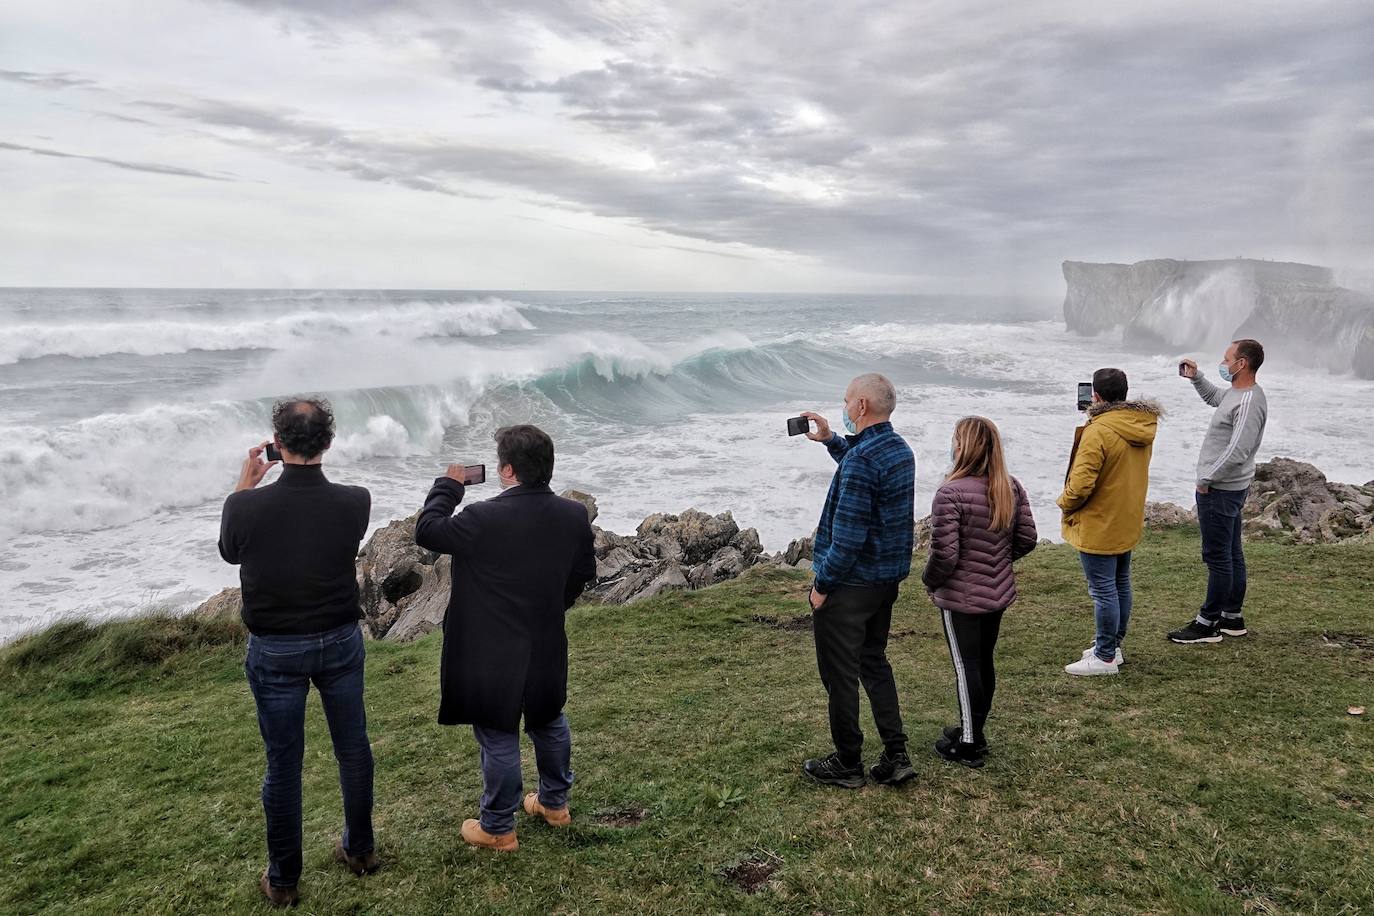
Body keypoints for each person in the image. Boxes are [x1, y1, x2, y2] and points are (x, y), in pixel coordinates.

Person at [218, 397, 378, 908]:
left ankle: (284, 880)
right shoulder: (356, 501)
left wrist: (245, 484)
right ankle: (360, 851)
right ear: (328, 442)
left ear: (277, 444)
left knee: (283, 763)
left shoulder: (245, 506)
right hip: (339, 639)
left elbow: (230, 551)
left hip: (275, 648)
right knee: (352, 748)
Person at [415, 424, 596, 851]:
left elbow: (428, 530)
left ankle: (498, 827)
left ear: (508, 470)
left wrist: (449, 486)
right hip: (545, 636)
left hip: (489, 646)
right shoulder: (572, 515)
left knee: (498, 730)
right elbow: (583, 573)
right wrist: (554, 605)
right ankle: (554, 804)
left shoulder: (483, 518)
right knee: (548, 718)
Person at [796, 373, 916, 788]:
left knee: (840, 675)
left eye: (847, 401)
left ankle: (848, 762)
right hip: (884, 583)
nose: (845, 407)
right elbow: (860, 462)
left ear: (861, 406)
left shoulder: (863, 460)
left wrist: (821, 586)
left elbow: (847, 541)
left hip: (851, 586)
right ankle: (896, 753)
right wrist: (831, 440)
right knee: (873, 662)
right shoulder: (898, 449)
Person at [922, 417, 1037, 767]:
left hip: (961, 597)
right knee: (983, 661)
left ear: (963, 447)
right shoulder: (1010, 487)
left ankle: (969, 743)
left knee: (965, 666)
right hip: (997, 591)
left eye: (955, 440)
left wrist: (930, 581)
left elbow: (945, 555)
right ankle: (973, 730)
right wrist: (997, 563)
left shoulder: (950, 493)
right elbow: (1027, 539)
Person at [1057, 369, 1161, 676]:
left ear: (1096, 396)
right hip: (1126, 517)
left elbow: (1081, 486)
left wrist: (1064, 502)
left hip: (1100, 521)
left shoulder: (1099, 431)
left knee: (1103, 590)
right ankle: (1112, 647)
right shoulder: (1140, 424)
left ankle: (1104, 657)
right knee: (1120, 584)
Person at [1168, 340, 1269, 644]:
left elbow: (1238, 451)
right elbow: (1216, 398)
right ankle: (1231, 617)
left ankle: (1207, 623)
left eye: (1227, 359)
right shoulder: (1237, 394)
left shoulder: (1249, 401)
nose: (1223, 364)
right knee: (1231, 553)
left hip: (1220, 489)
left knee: (1218, 557)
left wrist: (1206, 479)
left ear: (1242, 364)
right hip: (1227, 488)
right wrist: (1196, 378)